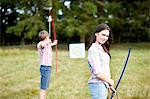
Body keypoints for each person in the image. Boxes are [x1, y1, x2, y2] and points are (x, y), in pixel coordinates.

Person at [88, 23, 114, 99]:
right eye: (103, 35)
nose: (105, 38)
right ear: (96, 34)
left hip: (103, 85)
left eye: (107, 36)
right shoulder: (93, 50)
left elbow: (104, 70)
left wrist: (108, 85)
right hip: (98, 85)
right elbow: (98, 73)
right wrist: (109, 81)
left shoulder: (102, 48)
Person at [37, 30, 57, 99]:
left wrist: (54, 43)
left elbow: (49, 45)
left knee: (45, 86)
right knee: (43, 87)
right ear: (46, 37)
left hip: (48, 67)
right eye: (48, 36)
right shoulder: (40, 44)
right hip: (44, 67)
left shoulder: (47, 44)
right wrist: (48, 41)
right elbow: (43, 45)